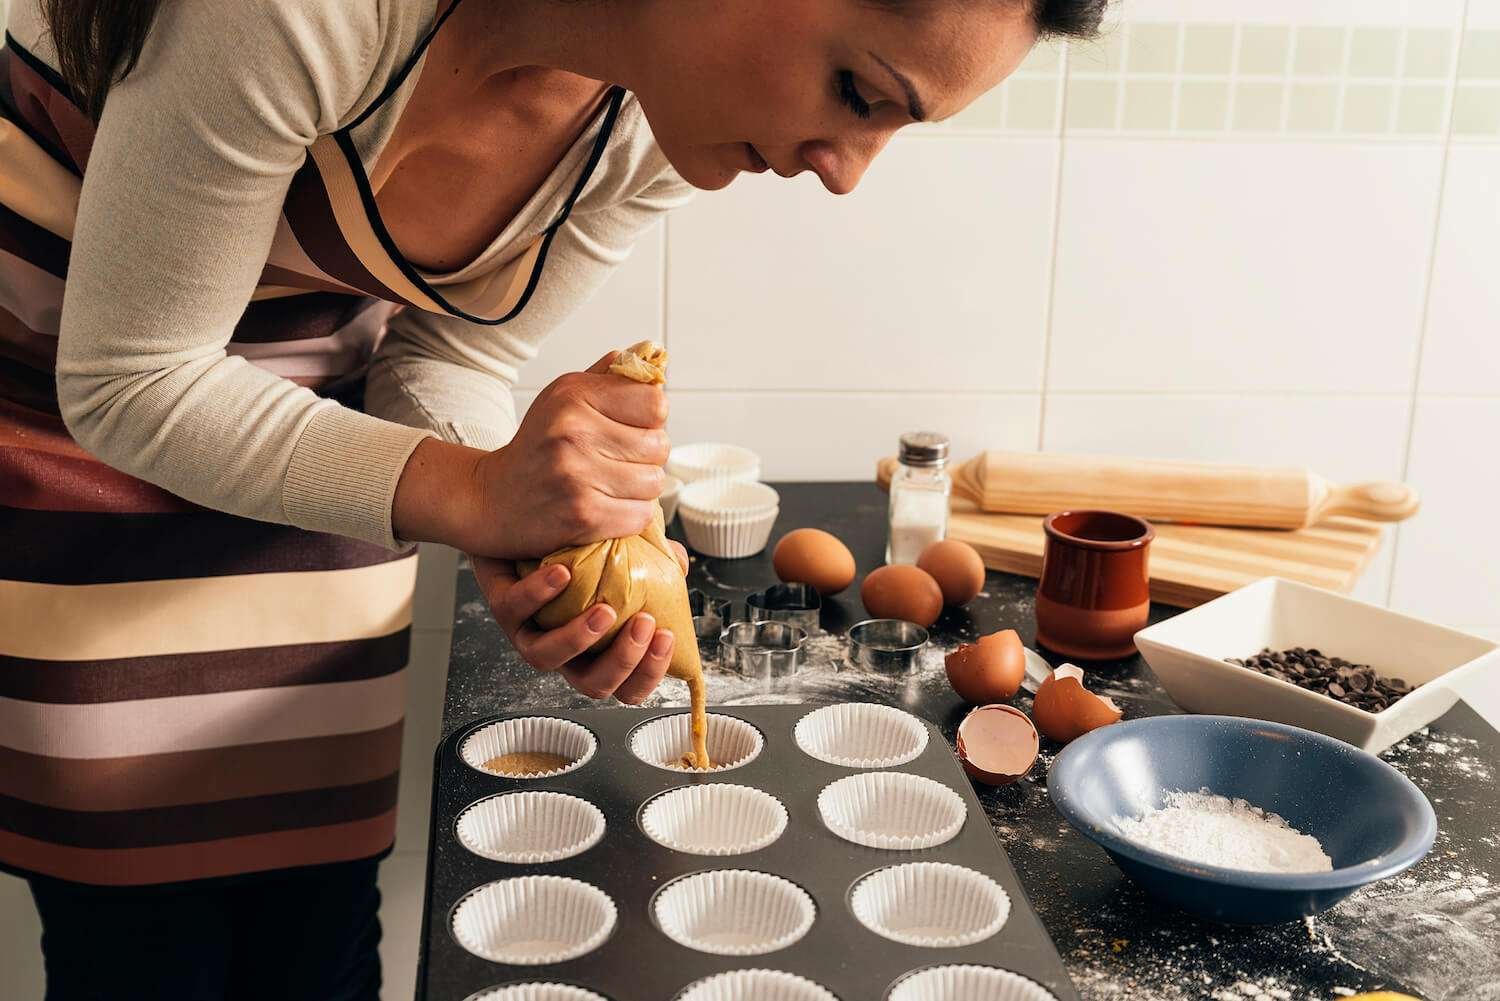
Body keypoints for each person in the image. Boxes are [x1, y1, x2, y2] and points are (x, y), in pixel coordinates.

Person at [0, 0, 1106, 996]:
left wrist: (525, 535)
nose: (848, 170)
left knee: (317, 939)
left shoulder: (650, 119)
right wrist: (474, 487)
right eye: (859, 92)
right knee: (146, 953)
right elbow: (129, 376)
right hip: (76, 469)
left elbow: (448, 354)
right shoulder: (309, 13)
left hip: (324, 484)